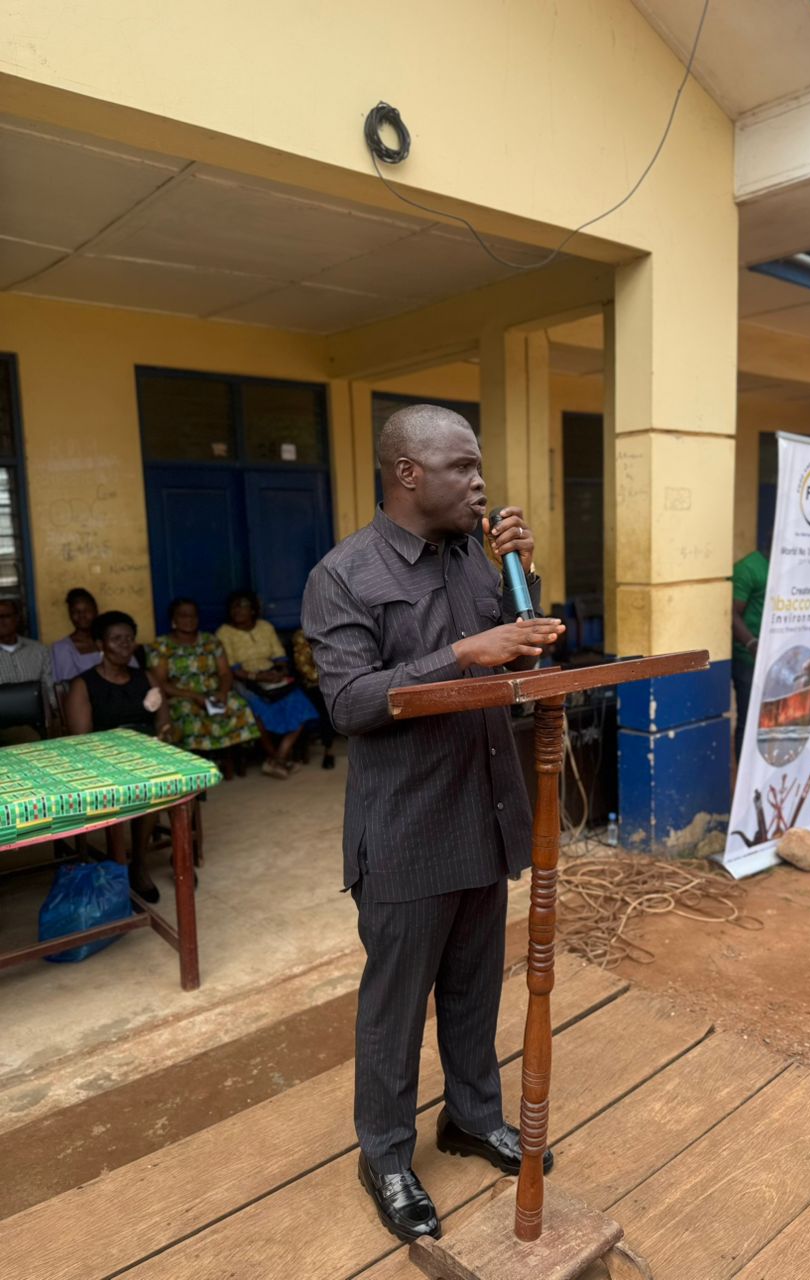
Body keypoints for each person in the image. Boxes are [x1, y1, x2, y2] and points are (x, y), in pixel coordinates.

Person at [302, 403, 565, 1244]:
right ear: (408, 474)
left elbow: (526, 655)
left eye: (479, 466)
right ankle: (384, 1155)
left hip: (485, 812)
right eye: (463, 467)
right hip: (407, 830)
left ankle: (471, 1116)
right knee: (395, 1005)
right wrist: (460, 654)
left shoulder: (476, 562)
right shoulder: (343, 575)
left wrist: (522, 577)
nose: (481, 483)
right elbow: (349, 702)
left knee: (474, 985)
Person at [64, 610, 172, 902]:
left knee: (162, 781)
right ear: (101, 644)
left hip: (148, 755)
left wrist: (163, 734)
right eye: (116, 639)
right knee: (147, 784)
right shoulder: (83, 684)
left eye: (129, 638)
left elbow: (164, 719)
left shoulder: (145, 676)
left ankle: (145, 861)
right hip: (106, 762)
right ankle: (130, 864)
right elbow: (82, 742)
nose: (125, 644)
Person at [215, 591, 317, 780]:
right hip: (244, 680)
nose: (237, 610)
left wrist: (279, 673)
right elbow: (232, 668)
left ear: (253, 610)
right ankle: (276, 758)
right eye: (234, 607)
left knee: (300, 702)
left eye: (242, 606)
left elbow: (280, 657)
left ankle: (279, 757)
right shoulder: (224, 632)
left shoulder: (265, 627)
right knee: (256, 711)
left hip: (271, 677)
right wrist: (258, 676)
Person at [147, 598, 259, 761]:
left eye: (193, 615)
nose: (189, 620)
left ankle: (228, 759)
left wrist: (222, 692)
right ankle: (196, 762)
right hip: (181, 696)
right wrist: (194, 696)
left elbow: (225, 673)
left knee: (239, 705)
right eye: (183, 616)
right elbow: (160, 683)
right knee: (186, 713)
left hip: (212, 693)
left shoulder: (210, 641)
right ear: (173, 620)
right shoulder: (161, 646)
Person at [731, 547, 769, 761]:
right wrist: (751, 643)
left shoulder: (791, 567)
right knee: (749, 722)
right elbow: (731, 613)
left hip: (780, 660)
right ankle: (745, 777)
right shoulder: (749, 569)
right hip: (748, 662)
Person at [0, 597, 54, 741]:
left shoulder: (38, 650)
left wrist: (51, 717)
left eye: (6, 616)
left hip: (38, 721)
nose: (1, 621)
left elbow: (48, 689)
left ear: (17, 618)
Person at [291, 627, 336, 769]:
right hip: (315, 682)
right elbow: (304, 667)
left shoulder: (339, 627)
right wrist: (329, 678)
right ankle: (328, 750)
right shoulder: (302, 634)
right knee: (326, 708)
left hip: (340, 678)